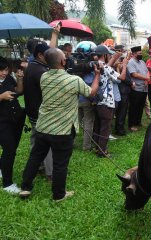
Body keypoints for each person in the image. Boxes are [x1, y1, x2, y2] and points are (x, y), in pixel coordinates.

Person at [19, 48, 100, 201]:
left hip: (43, 127)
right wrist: (97, 75)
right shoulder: (73, 80)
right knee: (60, 163)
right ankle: (58, 195)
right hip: (63, 130)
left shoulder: (44, 77)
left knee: (35, 158)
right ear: (63, 62)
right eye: (65, 57)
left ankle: (25, 188)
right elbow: (91, 93)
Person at [23, 43, 53, 181]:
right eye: (48, 55)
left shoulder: (31, 67)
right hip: (41, 112)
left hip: (32, 111)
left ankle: (39, 167)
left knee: (36, 139)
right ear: (40, 55)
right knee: (46, 142)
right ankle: (50, 173)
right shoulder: (41, 71)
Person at [0, 57, 25, 194]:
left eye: (5, 70)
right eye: (1, 71)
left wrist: (20, 78)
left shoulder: (9, 78)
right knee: (9, 150)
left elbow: (19, 91)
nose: (3, 73)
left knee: (12, 147)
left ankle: (1, 168)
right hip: (2, 122)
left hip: (15, 119)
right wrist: (1, 96)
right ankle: (7, 184)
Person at [92, 45, 121, 157]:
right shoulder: (106, 67)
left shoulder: (97, 64)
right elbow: (120, 78)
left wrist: (113, 59)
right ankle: (102, 151)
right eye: (108, 54)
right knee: (105, 127)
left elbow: (106, 68)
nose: (109, 56)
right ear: (104, 55)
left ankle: (96, 147)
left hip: (98, 101)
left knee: (98, 125)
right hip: (107, 101)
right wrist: (123, 64)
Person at [127, 46, 149, 132]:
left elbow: (147, 72)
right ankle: (131, 125)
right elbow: (134, 74)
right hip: (136, 89)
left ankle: (138, 122)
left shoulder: (142, 62)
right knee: (134, 107)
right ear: (134, 54)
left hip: (144, 88)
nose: (141, 54)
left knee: (141, 106)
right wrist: (146, 79)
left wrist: (147, 79)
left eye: (141, 53)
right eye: (139, 53)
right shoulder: (131, 62)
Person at [114, 52, 134, 136]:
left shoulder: (121, 66)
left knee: (121, 112)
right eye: (127, 58)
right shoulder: (122, 67)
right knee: (122, 111)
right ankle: (120, 130)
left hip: (123, 91)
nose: (129, 59)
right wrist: (131, 83)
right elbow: (124, 78)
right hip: (123, 91)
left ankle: (118, 128)